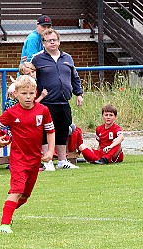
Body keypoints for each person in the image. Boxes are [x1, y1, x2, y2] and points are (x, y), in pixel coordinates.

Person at [0, 75, 55, 233]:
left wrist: (51, 150)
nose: (28, 97)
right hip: (18, 160)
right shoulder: (11, 113)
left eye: (32, 93)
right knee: (17, 191)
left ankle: (7, 209)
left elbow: (50, 131)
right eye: (24, 93)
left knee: (24, 197)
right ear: (16, 94)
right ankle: (4, 224)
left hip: (35, 160)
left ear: (36, 92)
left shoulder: (43, 110)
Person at [31, 28, 84, 171]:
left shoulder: (67, 58)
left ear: (59, 41)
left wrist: (79, 94)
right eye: (49, 40)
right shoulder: (37, 59)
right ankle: (47, 161)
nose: (52, 42)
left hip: (64, 102)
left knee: (62, 130)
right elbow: (27, 75)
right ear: (43, 43)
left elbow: (75, 77)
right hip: (46, 103)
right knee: (45, 131)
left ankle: (62, 160)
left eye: (55, 40)